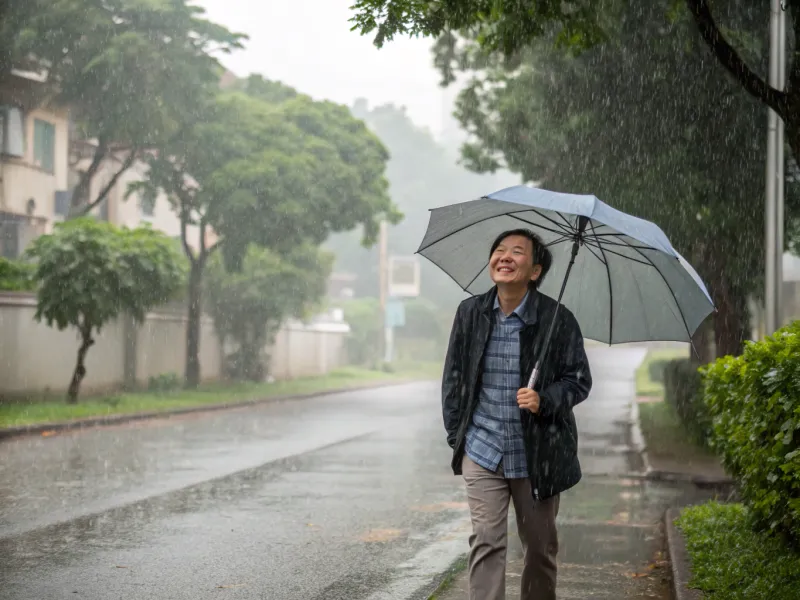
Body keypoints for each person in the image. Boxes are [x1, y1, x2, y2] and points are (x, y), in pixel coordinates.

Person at [442, 228, 592, 600]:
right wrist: (457, 436)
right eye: (499, 249)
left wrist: (545, 400)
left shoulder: (558, 320)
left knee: (540, 552)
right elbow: (454, 378)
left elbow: (579, 380)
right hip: (483, 448)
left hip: (536, 454)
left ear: (536, 270)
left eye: (518, 252)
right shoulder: (471, 313)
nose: (505, 257)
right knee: (487, 543)